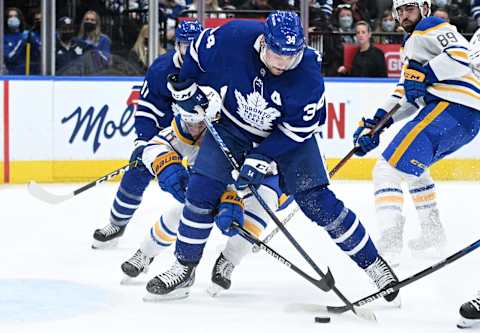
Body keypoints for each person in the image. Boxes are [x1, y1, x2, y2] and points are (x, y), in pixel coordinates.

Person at [143, 11, 400, 302]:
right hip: (233, 125)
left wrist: (262, 156)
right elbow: (198, 52)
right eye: (277, 55)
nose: (281, 65)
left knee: (318, 201)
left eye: (289, 58)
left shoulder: (308, 76)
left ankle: (375, 265)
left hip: (289, 138)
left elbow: (297, 132)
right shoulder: (234, 36)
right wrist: (185, 85)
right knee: (201, 189)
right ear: (263, 43)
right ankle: (183, 267)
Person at [120, 89, 291, 297]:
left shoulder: (238, 130)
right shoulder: (187, 123)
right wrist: (162, 163)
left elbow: (265, 167)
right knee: (183, 210)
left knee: (251, 220)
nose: (193, 130)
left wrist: (233, 197)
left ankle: (228, 261)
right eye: (190, 123)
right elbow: (154, 147)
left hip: (264, 178)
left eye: (200, 125)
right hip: (219, 181)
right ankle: (145, 253)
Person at [352, 0, 480, 266]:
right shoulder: (411, 44)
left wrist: (426, 74)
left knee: (386, 170)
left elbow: (460, 55)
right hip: (462, 117)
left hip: (452, 106)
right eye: (399, 10)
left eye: (409, 8)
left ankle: (390, 244)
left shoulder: (430, 26)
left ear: (425, 8)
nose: (403, 15)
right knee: (414, 168)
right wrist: (376, 124)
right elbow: (405, 95)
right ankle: (433, 234)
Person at [91, 21, 203, 249]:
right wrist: (143, 142)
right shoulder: (161, 69)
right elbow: (146, 109)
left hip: (203, 135)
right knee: (138, 169)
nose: (190, 51)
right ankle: (117, 223)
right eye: (185, 46)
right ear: (177, 45)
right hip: (168, 132)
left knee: (203, 183)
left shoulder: (213, 67)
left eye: (195, 46)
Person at [4, 7, 27, 74]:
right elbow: (9, 57)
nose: (13, 18)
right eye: (10, 16)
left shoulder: (27, 35)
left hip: (27, 74)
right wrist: (22, 41)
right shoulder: (3, 37)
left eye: (15, 16)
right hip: (10, 74)